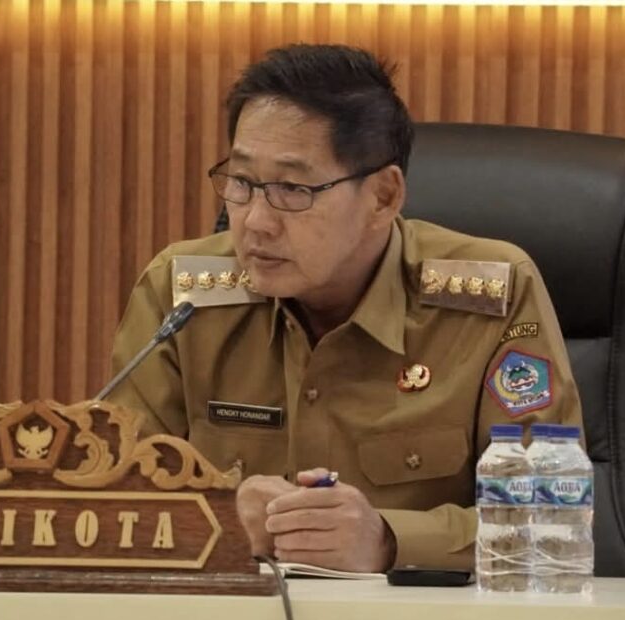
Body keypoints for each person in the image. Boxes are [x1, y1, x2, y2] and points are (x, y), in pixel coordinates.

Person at [107, 44, 582, 573]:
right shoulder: (183, 296)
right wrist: (216, 519)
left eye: (292, 188)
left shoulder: (492, 298)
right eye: (241, 183)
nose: (255, 221)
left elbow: (549, 519)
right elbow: (108, 503)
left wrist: (389, 541)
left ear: (383, 196)